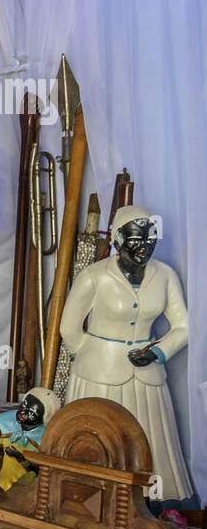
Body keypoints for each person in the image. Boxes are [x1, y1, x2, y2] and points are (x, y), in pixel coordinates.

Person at [60, 206, 192, 500]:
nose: (143, 247)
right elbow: (69, 327)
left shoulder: (165, 275)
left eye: (149, 240)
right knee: (99, 438)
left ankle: (155, 504)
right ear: (117, 240)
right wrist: (93, 354)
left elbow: (184, 326)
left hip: (146, 376)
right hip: (98, 375)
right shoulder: (95, 276)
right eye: (135, 240)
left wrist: (157, 352)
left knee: (149, 440)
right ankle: (89, 501)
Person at [0, 387, 60, 491]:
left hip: (29, 487)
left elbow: (44, 471)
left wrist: (21, 457)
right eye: (24, 405)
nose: (23, 413)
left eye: (32, 413)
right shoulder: (3, 422)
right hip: (2, 479)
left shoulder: (46, 438)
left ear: (44, 417)